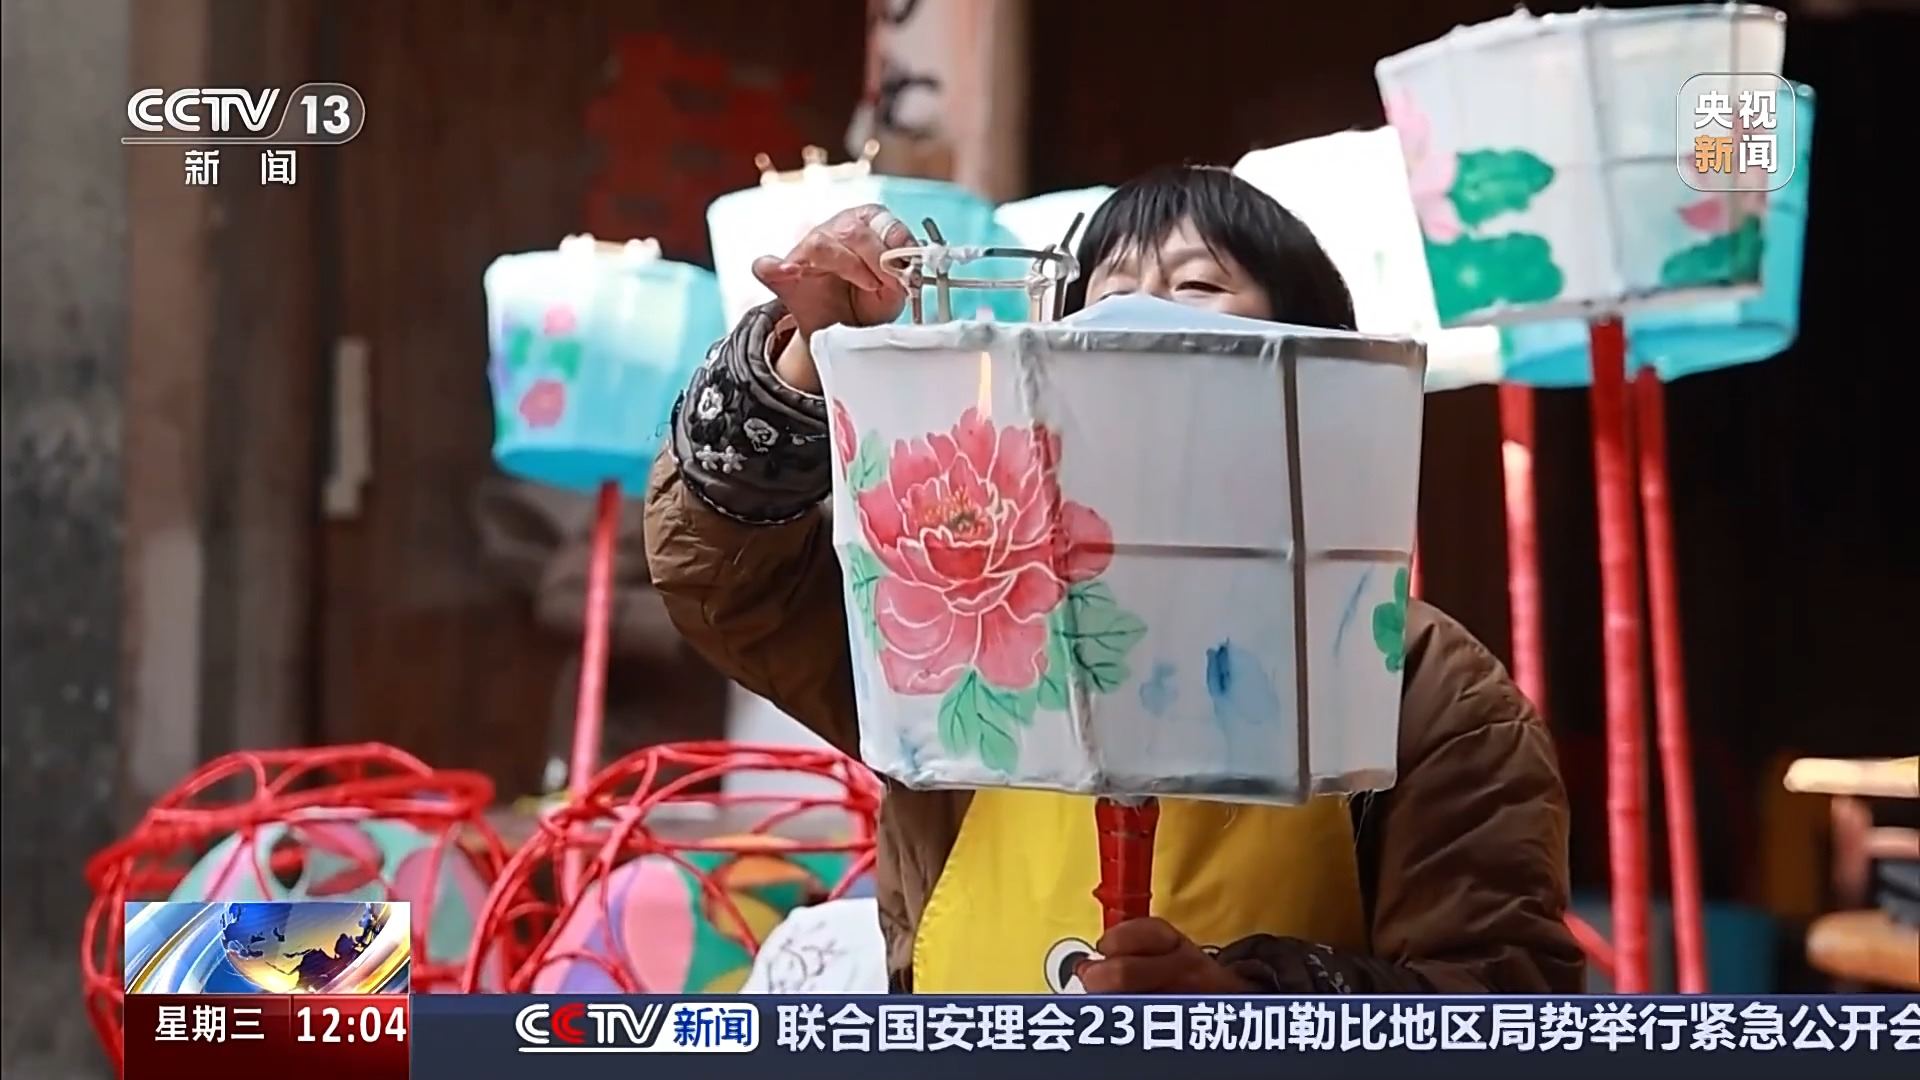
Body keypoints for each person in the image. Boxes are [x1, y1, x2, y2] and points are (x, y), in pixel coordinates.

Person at [643, 164, 1583, 994]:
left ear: (1314, 363)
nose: (1138, 319)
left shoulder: (1424, 686)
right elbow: (730, 583)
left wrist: (1246, 999)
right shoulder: (963, 603)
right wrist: (811, 357)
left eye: (1197, 286)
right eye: (1108, 295)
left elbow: (1500, 996)